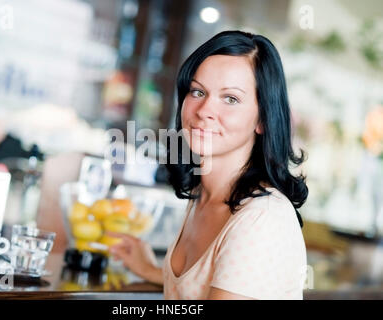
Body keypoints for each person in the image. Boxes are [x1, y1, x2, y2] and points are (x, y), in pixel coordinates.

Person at [107, 30, 309, 300]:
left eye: (231, 99)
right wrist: (155, 271)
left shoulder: (263, 219)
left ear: (263, 120)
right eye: (198, 91)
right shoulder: (204, 195)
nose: (204, 111)